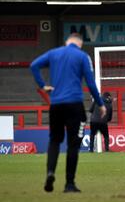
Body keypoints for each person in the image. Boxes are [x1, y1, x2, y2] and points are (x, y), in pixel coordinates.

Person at [30, 33, 106, 193]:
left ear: (67, 42)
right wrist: (100, 103)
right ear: (80, 44)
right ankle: (69, 184)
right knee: (73, 144)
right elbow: (91, 84)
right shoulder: (82, 56)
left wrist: (43, 86)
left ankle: (50, 172)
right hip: (74, 104)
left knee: (54, 140)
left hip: (56, 104)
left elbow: (34, 65)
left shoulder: (54, 53)